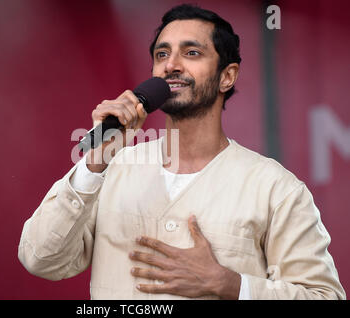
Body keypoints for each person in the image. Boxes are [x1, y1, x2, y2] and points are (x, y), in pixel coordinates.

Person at [18, 4, 345, 299]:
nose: (171, 65)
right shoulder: (110, 168)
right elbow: (41, 259)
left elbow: (323, 296)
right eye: (162, 54)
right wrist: (94, 163)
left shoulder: (276, 189)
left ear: (227, 76)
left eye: (191, 53)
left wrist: (229, 284)